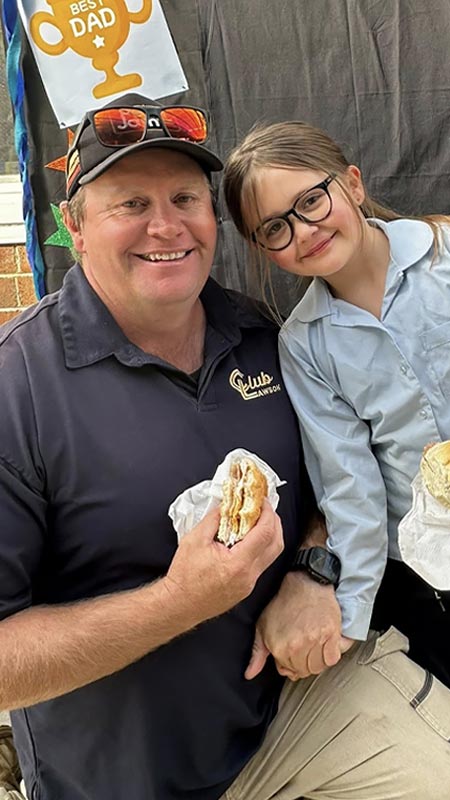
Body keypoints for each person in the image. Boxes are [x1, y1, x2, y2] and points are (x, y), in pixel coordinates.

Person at [1, 95, 450, 800]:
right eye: (130, 204)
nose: (166, 225)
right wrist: (177, 603)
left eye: (185, 197)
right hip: (127, 778)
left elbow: (342, 479)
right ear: (73, 228)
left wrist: (313, 567)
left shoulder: (263, 337)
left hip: (297, 709)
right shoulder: (16, 387)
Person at [223, 119, 450, 690]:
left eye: (311, 201)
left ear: (351, 182)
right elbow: (351, 486)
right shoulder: (305, 346)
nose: (303, 230)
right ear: (262, 250)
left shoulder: (444, 256)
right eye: (275, 227)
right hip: (430, 569)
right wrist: (344, 616)